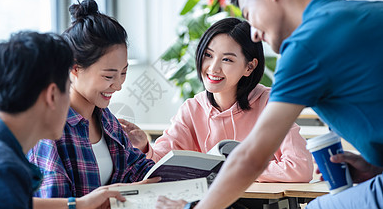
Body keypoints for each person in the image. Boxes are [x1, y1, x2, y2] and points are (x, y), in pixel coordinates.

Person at [154, 0, 383, 209]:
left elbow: (253, 157)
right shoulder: (366, 13)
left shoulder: (304, 45)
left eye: (249, 14)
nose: (254, 32)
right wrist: (375, 168)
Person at [0, 31, 151, 209]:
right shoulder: (1, 169)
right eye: (68, 89)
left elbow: (15, 204)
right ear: (52, 95)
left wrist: (78, 206)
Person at [121, 17, 313, 183]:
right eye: (208, 55)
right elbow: (163, 163)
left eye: (227, 59)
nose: (213, 68)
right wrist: (145, 146)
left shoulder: (271, 104)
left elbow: (300, 168)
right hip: (209, 207)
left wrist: (234, 170)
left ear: (249, 67)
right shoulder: (192, 109)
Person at [27, 0, 156, 204]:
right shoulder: (49, 131)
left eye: (123, 73)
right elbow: (57, 205)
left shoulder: (107, 120)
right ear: (74, 68)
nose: (118, 85)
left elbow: (139, 171)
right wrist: (121, 192)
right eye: (108, 76)